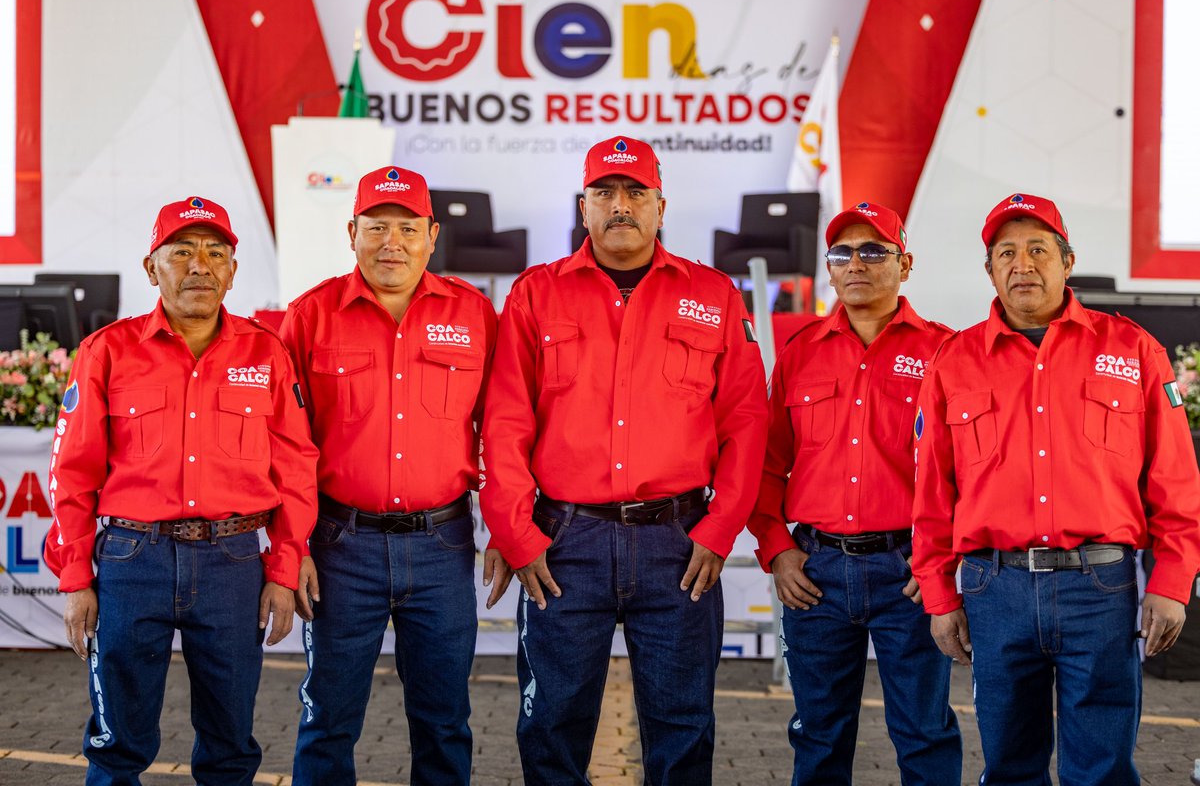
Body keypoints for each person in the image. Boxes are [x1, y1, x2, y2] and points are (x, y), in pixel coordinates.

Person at [480, 135, 768, 784]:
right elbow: (504, 424)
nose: (621, 205)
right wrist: (516, 533)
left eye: (636, 192)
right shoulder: (534, 295)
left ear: (661, 207)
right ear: (582, 208)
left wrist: (721, 530)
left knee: (683, 728)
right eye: (604, 193)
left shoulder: (714, 295)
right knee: (550, 724)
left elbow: (748, 423)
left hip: (679, 544)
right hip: (563, 543)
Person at [912, 192, 1200, 784]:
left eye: (1039, 249)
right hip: (996, 588)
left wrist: (1172, 581)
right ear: (989, 270)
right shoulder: (954, 360)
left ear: (1067, 262)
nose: (1024, 264)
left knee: (1101, 767)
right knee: (1010, 765)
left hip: (1101, 586)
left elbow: (1174, 479)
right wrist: (939, 596)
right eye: (1007, 252)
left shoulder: (1132, 349)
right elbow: (933, 494)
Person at [44, 196, 318, 784]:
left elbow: (296, 468)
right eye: (183, 251)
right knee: (117, 741)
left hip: (234, 562)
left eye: (216, 252)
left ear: (233, 270)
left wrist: (283, 570)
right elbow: (72, 471)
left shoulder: (266, 354)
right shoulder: (107, 351)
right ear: (152, 267)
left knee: (229, 746)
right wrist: (75, 577)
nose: (200, 265)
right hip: (129, 561)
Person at [283, 165, 500, 786]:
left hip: (442, 546)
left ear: (433, 235)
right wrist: (291, 545)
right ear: (351, 232)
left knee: (444, 720)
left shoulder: (474, 315)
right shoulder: (309, 317)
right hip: (339, 545)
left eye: (408, 228)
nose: (392, 242)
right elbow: (287, 445)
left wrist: (510, 531)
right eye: (377, 227)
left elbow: (505, 432)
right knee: (327, 717)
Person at [748, 201, 961, 784]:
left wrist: (939, 559)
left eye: (874, 251)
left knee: (924, 733)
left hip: (909, 574)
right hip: (816, 572)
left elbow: (969, 470)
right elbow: (765, 467)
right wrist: (776, 548)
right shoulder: (800, 353)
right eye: (842, 253)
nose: (857, 264)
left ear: (905, 263)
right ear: (829, 268)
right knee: (818, 735)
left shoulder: (947, 352)